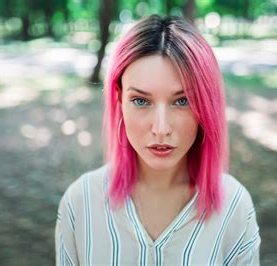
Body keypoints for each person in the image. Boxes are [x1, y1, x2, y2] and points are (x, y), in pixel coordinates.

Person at [55, 14, 261, 265]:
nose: (161, 129)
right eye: (141, 101)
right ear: (119, 100)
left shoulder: (234, 207)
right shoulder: (80, 203)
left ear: (206, 106)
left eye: (182, 101)